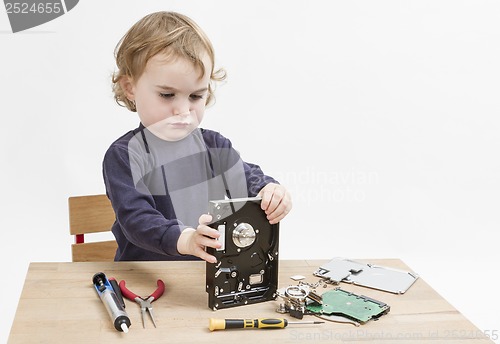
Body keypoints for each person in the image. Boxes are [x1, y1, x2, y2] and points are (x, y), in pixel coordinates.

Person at [103, 11, 291, 263]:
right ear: (130, 88)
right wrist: (186, 239)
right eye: (167, 95)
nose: (183, 111)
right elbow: (137, 220)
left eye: (195, 96)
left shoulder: (214, 147)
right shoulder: (125, 154)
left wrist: (270, 191)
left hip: (201, 278)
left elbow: (249, 179)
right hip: (143, 279)